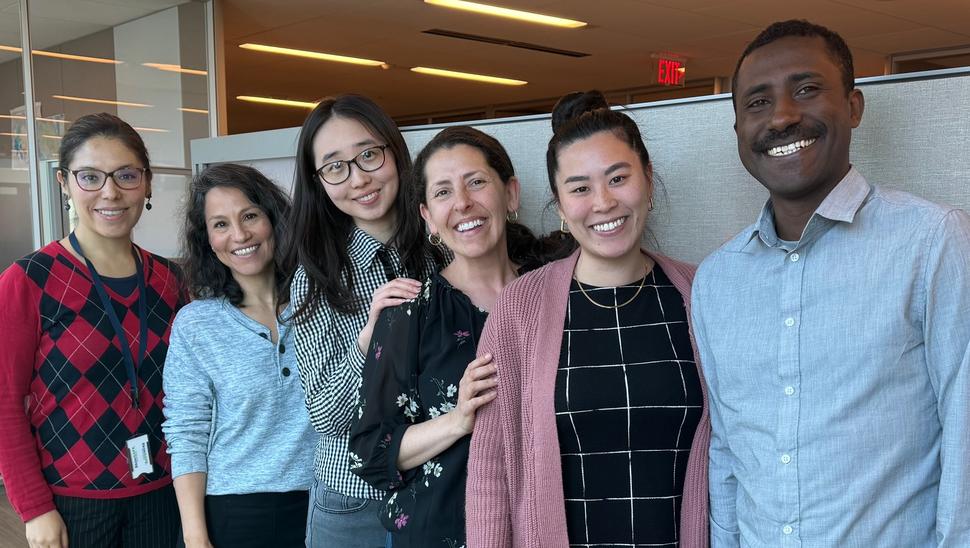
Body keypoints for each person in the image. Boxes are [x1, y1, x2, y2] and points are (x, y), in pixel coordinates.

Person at [691, 19, 970, 547]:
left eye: (806, 89)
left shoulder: (933, 244)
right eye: (757, 102)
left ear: (855, 106)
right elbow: (727, 451)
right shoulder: (717, 281)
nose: (782, 116)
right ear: (737, 133)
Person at [466, 91, 711, 548]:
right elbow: (490, 471)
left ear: (649, 180)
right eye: (579, 188)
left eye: (618, 178)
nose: (602, 202)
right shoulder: (521, 307)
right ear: (560, 204)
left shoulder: (703, 295)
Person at [350, 126, 541, 547]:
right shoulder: (409, 312)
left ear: (510, 193)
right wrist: (457, 420)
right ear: (427, 216)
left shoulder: (553, 297)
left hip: (543, 526)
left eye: (476, 182)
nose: (462, 203)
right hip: (440, 532)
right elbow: (371, 449)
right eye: (442, 192)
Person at [0, 113, 186, 548]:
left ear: (147, 182)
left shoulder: (170, 281)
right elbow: (5, 404)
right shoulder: (28, 281)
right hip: (71, 502)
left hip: (164, 492)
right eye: (90, 177)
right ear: (64, 183)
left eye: (126, 175)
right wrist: (35, 508)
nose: (111, 192)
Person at [284, 94, 441, 547]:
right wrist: (369, 341)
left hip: (437, 484)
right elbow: (326, 418)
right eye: (335, 167)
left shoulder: (443, 250)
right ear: (319, 182)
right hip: (354, 501)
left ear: (394, 150)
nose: (358, 179)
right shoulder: (315, 278)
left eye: (369, 155)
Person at [162, 163, 315, 548]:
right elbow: (186, 434)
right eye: (220, 224)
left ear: (273, 220)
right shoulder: (197, 324)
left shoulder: (319, 304)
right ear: (207, 239)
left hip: (323, 502)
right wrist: (196, 536)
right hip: (232, 511)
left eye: (250, 216)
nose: (240, 235)